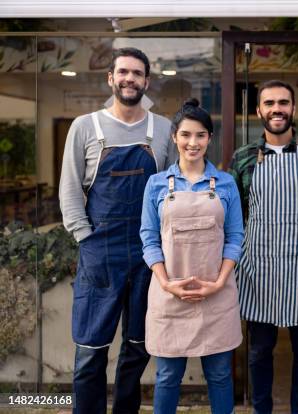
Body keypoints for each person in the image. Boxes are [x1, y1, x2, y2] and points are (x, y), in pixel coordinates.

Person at [59, 47, 177, 414]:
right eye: (123, 72)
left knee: (139, 345)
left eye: (137, 73)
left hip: (147, 253)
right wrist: (85, 240)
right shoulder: (85, 126)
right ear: (111, 78)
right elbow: (69, 189)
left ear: (146, 81)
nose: (129, 79)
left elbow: (173, 191)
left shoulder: (163, 128)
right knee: (91, 348)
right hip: (100, 249)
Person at [228, 80, 298, 414]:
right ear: (259, 110)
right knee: (259, 352)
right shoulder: (243, 158)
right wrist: (235, 264)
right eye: (270, 103)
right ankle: (262, 410)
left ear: (293, 109)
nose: (277, 109)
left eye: (283, 103)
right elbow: (234, 218)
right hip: (259, 268)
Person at [140, 98, 244, 414]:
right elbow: (148, 238)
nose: (192, 143)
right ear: (175, 137)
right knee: (168, 376)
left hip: (217, 295)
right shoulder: (156, 184)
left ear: (209, 138)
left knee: (220, 375)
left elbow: (235, 237)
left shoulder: (226, 183)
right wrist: (167, 283)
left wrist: (219, 283)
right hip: (170, 294)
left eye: (200, 135)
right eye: (186, 135)